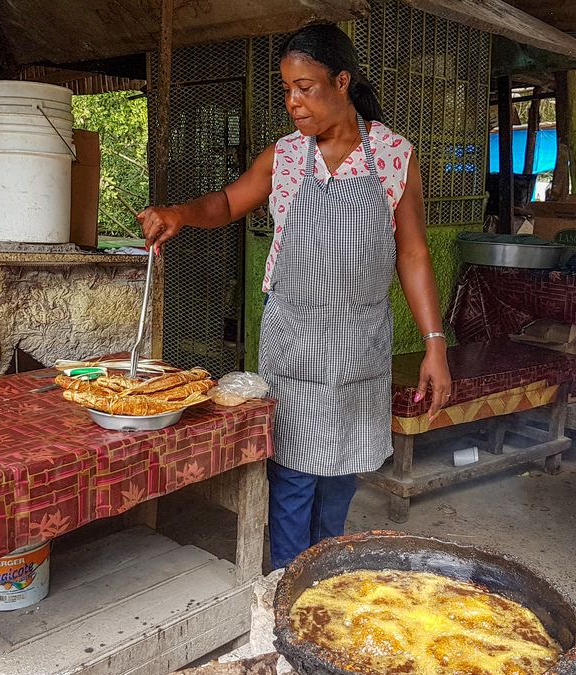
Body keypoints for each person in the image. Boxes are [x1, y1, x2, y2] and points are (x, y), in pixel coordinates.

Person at [137, 24, 452, 569]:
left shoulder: (393, 155)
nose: (293, 102)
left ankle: (324, 579)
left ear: (342, 81)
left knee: (338, 481)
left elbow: (413, 254)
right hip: (294, 344)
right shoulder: (284, 158)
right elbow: (228, 203)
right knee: (291, 480)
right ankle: (285, 589)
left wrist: (434, 344)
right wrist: (179, 215)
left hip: (358, 345)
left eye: (305, 87)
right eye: (287, 90)